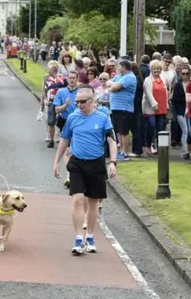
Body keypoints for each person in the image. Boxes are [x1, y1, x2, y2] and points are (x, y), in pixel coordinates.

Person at [53, 85, 117, 255]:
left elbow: (111, 141)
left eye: (82, 102)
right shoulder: (72, 118)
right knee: (78, 198)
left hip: (96, 163)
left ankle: (89, 236)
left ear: (92, 101)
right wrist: (56, 161)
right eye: (77, 102)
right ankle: (78, 238)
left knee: (93, 201)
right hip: (77, 164)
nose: (79, 105)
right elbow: (64, 140)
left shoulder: (103, 118)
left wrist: (113, 162)